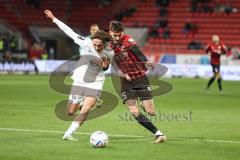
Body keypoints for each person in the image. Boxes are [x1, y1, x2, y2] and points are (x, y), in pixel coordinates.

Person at [44, 10, 113, 141]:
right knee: (70, 111)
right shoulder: (86, 42)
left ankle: (68, 134)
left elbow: (106, 68)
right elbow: (69, 31)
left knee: (86, 109)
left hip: (96, 82)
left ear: (104, 43)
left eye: (100, 45)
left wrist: (105, 66)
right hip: (80, 79)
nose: (97, 47)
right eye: (95, 44)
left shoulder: (109, 52)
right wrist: (54, 18)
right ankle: (80, 101)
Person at [109, 20, 166, 143]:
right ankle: (159, 134)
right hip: (126, 81)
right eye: (115, 35)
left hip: (139, 77)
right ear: (110, 32)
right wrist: (121, 73)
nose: (117, 37)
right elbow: (112, 61)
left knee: (151, 112)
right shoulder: (109, 45)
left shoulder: (128, 41)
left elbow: (138, 52)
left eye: (119, 34)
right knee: (134, 112)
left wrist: (146, 61)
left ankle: (143, 103)